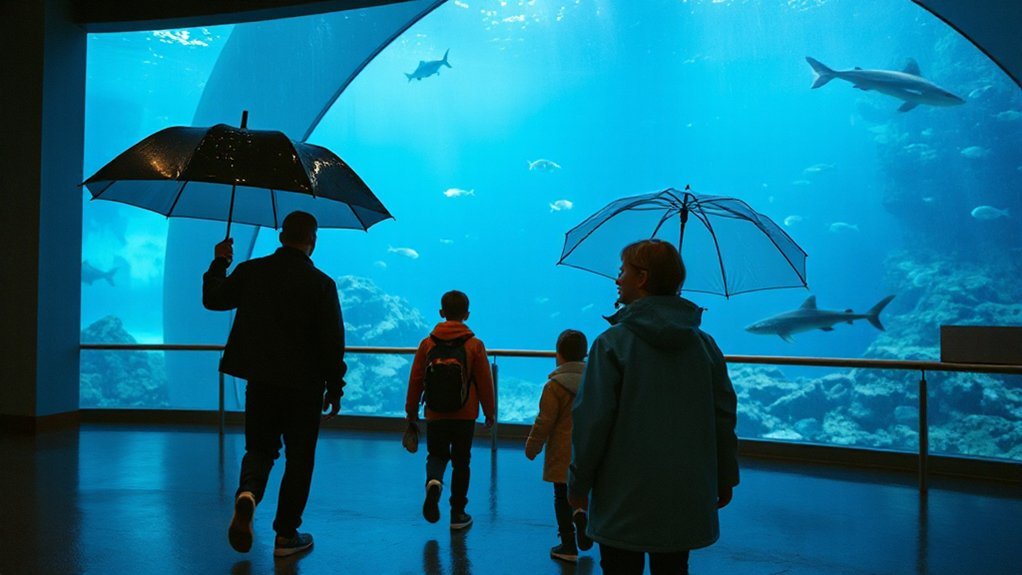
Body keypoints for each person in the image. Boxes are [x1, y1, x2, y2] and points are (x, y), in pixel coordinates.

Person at [568, 239, 739, 575]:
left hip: (622, 496)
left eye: (622, 271)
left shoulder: (611, 344)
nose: (617, 279)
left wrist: (578, 483)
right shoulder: (705, 346)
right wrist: (725, 477)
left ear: (642, 278)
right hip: (685, 493)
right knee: (674, 567)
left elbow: (592, 421)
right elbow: (723, 417)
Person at [202, 211, 346, 558]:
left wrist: (219, 262)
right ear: (313, 240)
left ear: (281, 236)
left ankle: (249, 493)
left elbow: (214, 300)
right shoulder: (322, 284)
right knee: (299, 460)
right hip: (305, 388)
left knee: (260, 448)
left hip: (262, 381)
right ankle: (285, 535)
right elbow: (332, 342)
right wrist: (335, 388)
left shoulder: (252, 272)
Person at [405, 290, 495, 530]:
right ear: (467, 314)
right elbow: (485, 382)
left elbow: (415, 380)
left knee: (436, 455)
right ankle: (458, 513)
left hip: (435, 413)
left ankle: (434, 482)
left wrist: (411, 411)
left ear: (441, 313)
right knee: (462, 461)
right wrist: (490, 412)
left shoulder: (427, 343)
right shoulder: (475, 345)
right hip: (465, 414)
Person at [525, 329, 590, 563]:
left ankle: (568, 544)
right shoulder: (594, 381)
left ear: (558, 355)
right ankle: (582, 514)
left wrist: (533, 446)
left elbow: (544, 421)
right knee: (582, 489)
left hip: (562, 452)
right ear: (585, 354)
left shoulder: (554, 386)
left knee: (561, 495)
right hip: (588, 449)